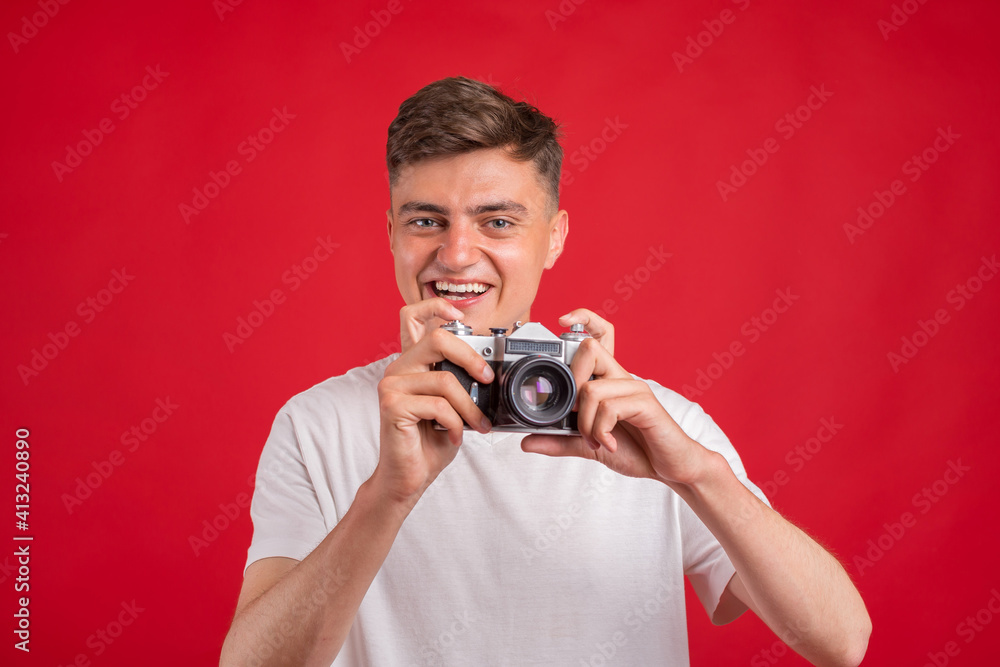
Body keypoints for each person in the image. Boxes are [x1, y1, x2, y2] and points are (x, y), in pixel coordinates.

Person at [221, 76, 871, 666]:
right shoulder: (316, 424)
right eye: (426, 221)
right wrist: (388, 494)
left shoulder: (654, 424)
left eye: (497, 220)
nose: (456, 253)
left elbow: (839, 639)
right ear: (392, 232)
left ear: (554, 237)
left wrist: (695, 475)